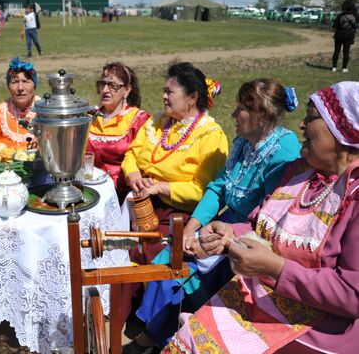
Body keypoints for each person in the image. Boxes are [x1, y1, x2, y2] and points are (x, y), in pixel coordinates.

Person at [163, 81, 359, 354]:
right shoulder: (299, 173)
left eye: (312, 117)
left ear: (343, 131)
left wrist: (276, 268)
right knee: (189, 330)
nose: (301, 125)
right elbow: (260, 226)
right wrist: (231, 233)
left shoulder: (354, 196)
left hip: (318, 329)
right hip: (262, 297)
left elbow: (353, 294)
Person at [128, 79, 302, 352]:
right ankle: (158, 331)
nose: (232, 116)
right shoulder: (245, 142)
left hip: (250, 237)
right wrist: (192, 226)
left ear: (263, 116)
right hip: (225, 224)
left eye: (240, 110)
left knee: (189, 270)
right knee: (170, 255)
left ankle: (175, 335)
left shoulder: (284, 153)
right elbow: (219, 187)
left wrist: (218, 237)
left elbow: (269, 216)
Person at [120, 62, 229, 324]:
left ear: (192, 98)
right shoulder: (157, 122)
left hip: (178, 215)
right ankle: (119, 315)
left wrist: (162, 187)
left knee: (146, 253)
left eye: (170, 92)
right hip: (140, 205)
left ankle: (145, 323)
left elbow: (203, 190)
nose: (164, 96)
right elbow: (132, 154)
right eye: (164, 90)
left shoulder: (211, 136)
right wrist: (133, 173)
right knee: (116, 248)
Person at [86, 62, 150, 200]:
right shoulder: (89, 117)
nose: (105, 90)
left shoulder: (138, 120)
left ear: (127, 90)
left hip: (123, 195)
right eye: (102, 84)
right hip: (89, 191)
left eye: (113, 85)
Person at [0, 57, 40, 149]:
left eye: (25, 81)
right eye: (15, 82)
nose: (20, 88)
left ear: (34, 86)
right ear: (9, 86)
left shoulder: (47, 112)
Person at [332, 0, 357, 73]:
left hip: (338, 36)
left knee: (336, 51)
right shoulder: (353, 17)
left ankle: (334, 67)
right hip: (348, 37)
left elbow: (334, 26)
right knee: (346, 52)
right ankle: (344, 68)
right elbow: (354, 27)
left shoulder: (340, 16)